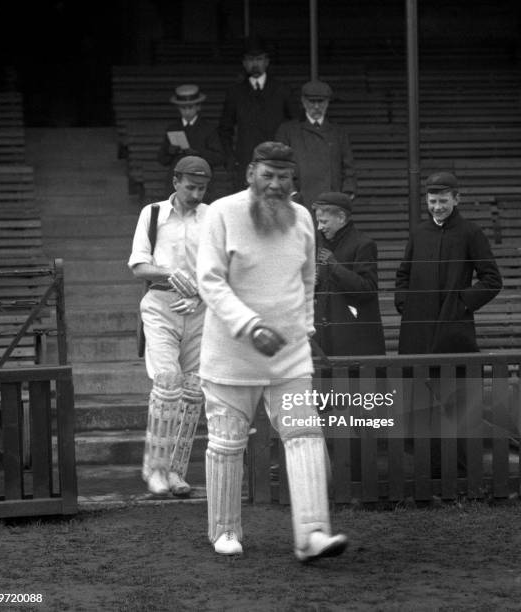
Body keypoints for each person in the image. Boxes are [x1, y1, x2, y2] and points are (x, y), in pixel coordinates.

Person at [197, 141, 348, 561]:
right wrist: (249, 325)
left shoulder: (301, 218)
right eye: (268, 175)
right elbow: (209, 280)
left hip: (288, 356)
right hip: (231, 354)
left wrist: (306, 327)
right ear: (250, 173)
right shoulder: (221, 213)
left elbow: (307, 280)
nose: (276, 184)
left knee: (305, 437)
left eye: (284, 177)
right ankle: (224, 530)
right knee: (227, 444)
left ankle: (313, 534)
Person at [128, 156, 211, 498]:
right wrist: (169, 274)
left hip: (200, 309)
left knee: (193, 392)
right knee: (167, 381)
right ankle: (156, 469)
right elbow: (137, 265)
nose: (195, 194)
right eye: (190, 187)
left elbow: (220, 269)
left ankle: (176, 471)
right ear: (175, 182)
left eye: (201, 188)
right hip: (161, 304)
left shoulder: (212, 217)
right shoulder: (153, 213)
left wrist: (199, 296)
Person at [395, 171, 502, 354]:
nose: (437, 207)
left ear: (456, 199)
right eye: (432, 201)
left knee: (454, 380)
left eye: (443, 201)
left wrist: (462, 304)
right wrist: (405, 304)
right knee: (415, 379)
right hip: (416, 328)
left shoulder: (471, 233)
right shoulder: (419, 233)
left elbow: (492, 279)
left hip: (453, 324)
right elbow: (404, 273)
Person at [217, 41, 298, 190]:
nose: (255, 64)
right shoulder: (235, 92)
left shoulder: (282, 90)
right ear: (244, 63)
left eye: (259, 59)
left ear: (266, 62)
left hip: (277, 160)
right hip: (246, 161)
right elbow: (224, 129)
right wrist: (231, 158)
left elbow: (295, 125)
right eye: (250, 60)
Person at [313, 192, 385, 356]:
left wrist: (334, 266)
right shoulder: (323, 244)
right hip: (326, 338)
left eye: (324, 221)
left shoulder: (364, 244)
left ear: (341, 217)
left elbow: (368, 289)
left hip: (354, 340)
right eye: (318, 221)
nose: (319, 227)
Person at [275, 79, 356, 211]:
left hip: (332, 202)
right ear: (303, 101)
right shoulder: (288, 131)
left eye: (321, 102)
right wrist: (292, 193)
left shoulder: (338, 132)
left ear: (328, 102)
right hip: (299, 203)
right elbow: (280, 165)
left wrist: (346, 194)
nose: (317, 107)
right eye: (312, 102)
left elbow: (348, 167)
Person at [157, 84, 224, 201]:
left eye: (190, 107)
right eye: (183, 108)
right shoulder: (173, 128)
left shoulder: (208, 128)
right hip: (177, 186)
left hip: (202, 185)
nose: (187, 111)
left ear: (198, 107)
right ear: (178, 108)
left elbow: (219, 158)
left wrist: (198, 153)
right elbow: (162, 159)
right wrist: (170, 152)